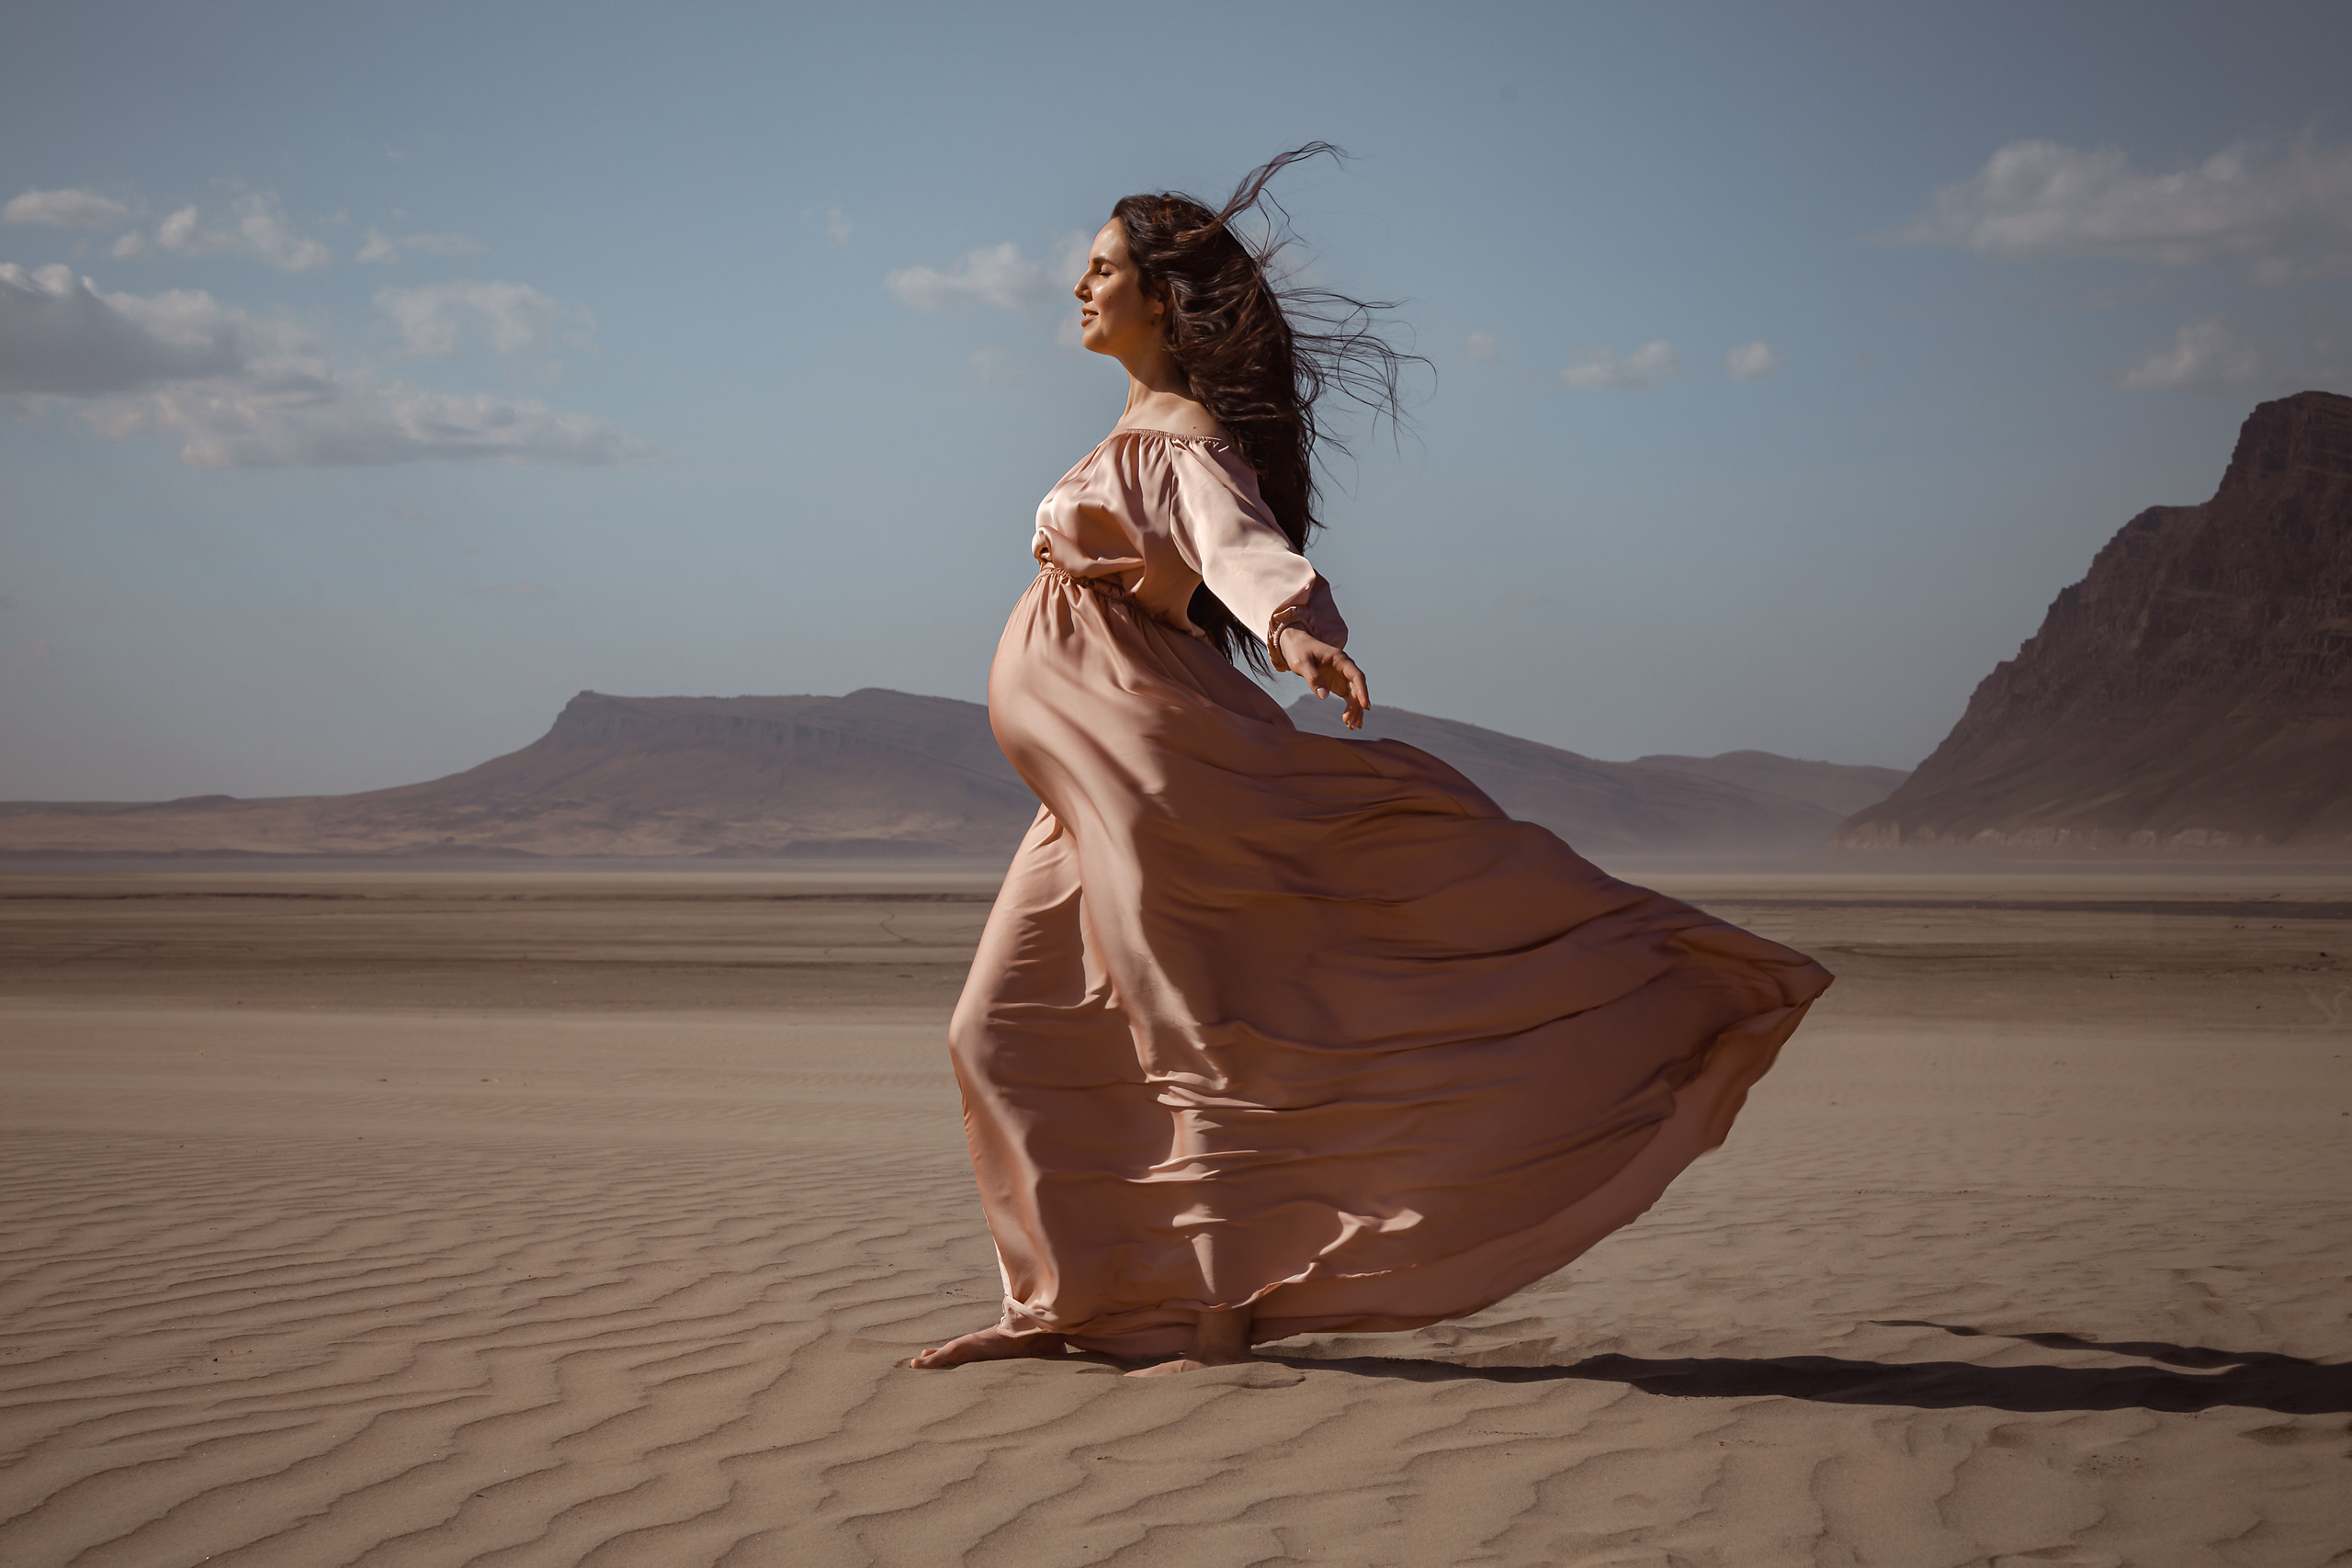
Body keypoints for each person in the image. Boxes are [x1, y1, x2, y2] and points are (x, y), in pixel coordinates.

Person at [910, 146, 1832, 1378]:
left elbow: (1238, 549)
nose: (1076, 290)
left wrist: (1299, 628)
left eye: (1099, 271)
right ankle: (1069, 1301)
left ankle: (1213, 1308)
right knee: (997, 1030)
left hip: (1148, 772)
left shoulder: (1181, 441)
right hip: (1082, 792)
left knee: (1202, 1039)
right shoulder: (1130, 429)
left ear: (1159, 296)